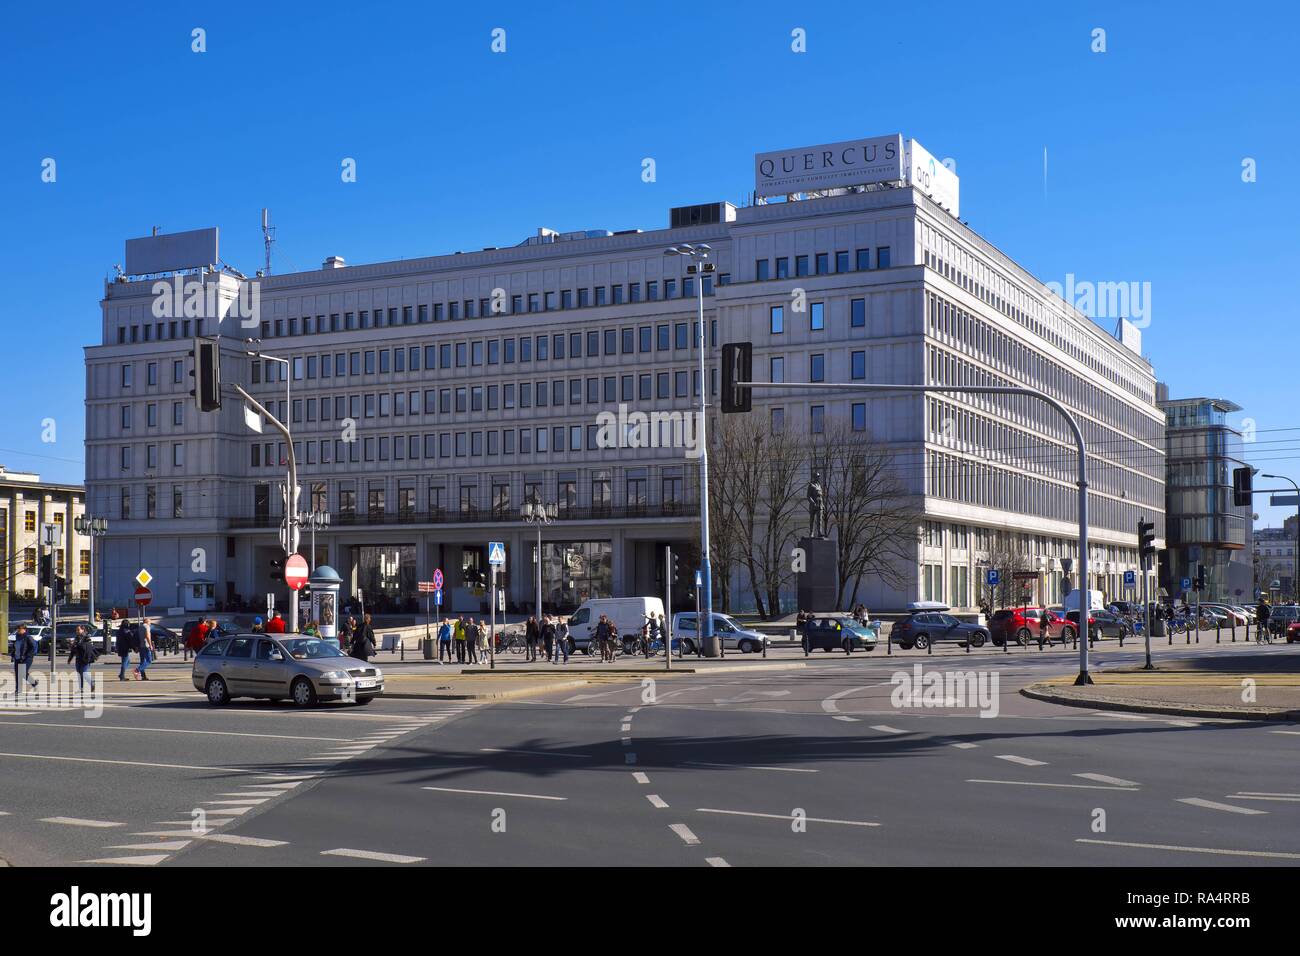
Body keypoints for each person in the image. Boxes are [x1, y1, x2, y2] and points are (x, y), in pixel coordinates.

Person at [67, 625, 97, 694]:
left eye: (78, 630)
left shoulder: (87, 637)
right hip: (78, 658)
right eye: (76, 630)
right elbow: (73, 649)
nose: (77, 631)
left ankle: (91, 682)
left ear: (83, 630)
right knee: (79, 674)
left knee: (84, 673)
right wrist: (70, 658)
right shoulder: (77, 638)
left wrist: (76, 645)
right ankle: (81, 689)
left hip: (85, 658)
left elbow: (88, 648)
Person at [11, 623, 39, 693]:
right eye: (17, 629)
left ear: (24, 629)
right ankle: (18, 689)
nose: (18, 630)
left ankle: (33, 683)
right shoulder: (17, 636)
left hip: (27, 658)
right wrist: (13, 654)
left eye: (19, 629)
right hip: (18, 657)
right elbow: (16, 646)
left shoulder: (28, 637)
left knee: (22, 672)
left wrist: (28, 655)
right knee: (18, 674)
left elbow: (33, 647)